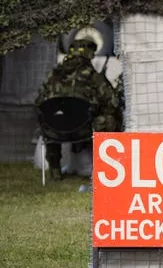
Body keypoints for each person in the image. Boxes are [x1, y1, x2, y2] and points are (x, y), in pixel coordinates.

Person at [35, 38, 122, 180]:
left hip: (54, 130)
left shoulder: (53, 75)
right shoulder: (93, 76)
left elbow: (39, 103)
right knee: (110, 119)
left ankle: (55, 170)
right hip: (83, 128)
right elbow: (111, 102)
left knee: (51, 120)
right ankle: (104, 167)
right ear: (89, 54)